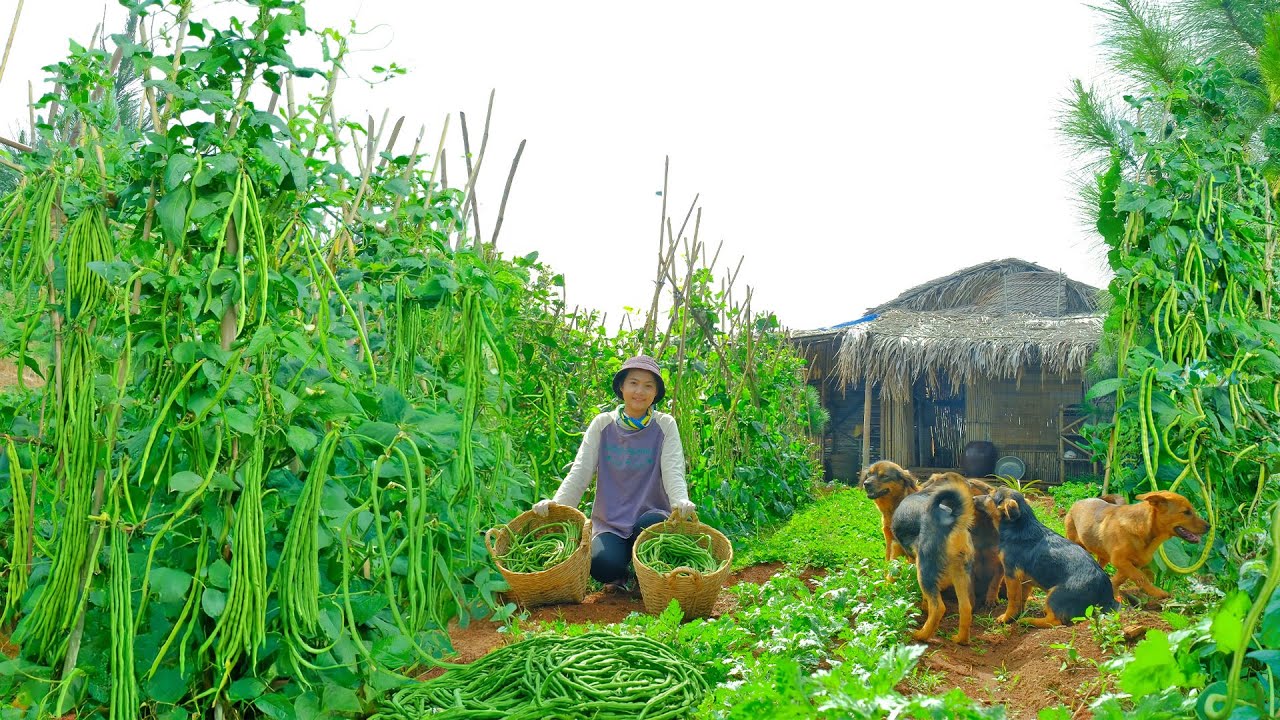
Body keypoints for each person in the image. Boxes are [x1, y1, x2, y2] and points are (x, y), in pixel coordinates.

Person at [532, 354, 696, 591]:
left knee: (653, 527)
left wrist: (680, 500)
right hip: (611, 522)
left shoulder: (664, 425)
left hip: (650, 517)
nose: (640, 391)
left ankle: (646, 574)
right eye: (633, 383)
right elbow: (580, 471)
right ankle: (622, 574)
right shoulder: (602, 425)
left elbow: (673, 469)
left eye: (648, 386)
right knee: (602, 564)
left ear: (655, 393)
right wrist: (557, 506)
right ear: (622, 386)